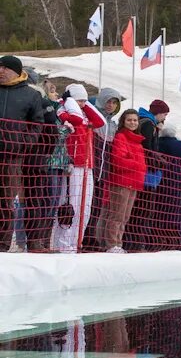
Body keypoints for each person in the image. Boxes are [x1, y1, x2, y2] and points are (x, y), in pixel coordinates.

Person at [50, 84, 107, 253]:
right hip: (72, 164)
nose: (83, 104)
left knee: (85, 207)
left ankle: (76, 242)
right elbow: (76, 119)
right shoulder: (64, 111)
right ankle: (62, 244)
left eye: (84, 100)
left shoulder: (84, 112)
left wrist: (85, 103)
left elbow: (100, 121)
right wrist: (69, 101)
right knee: (70, 206)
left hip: (87, 165)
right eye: (80, 100)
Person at [0, 55, 45, 252]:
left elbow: (37, 125)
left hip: (12, 156)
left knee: (6, 201)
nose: (1, 71)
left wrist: (22, 144)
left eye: (5, 68)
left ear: (16, 71)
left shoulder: (31, 95)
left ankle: (2, 243)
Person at [99, 109, 146, 253]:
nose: (132, 123)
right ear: (123, 122)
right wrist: (139, 165)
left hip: (134, 182)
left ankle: (118, 243)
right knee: (117, 215)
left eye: (135, 120)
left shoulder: (137, 141)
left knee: (125, 217)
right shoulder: (121, 137)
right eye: (129, 120)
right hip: (121, 181)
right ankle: (111, 244)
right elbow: (118, 161)